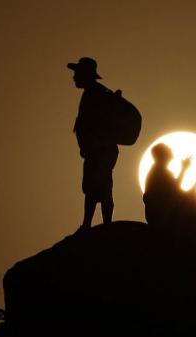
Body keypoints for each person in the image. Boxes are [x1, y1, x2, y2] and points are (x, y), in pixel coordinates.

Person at [68, 57, 119, 230]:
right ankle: (90, 224)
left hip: (101, 149)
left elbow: (94, 124)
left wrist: (91, 144)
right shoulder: (94, 93)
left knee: (100, 186)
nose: (74, 77)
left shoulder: (95, 94)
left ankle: (101, 225)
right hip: (98, 149)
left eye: (77, 74)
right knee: (94, 186)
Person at [143, 143, 196, 229]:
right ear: (163, 154)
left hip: (161, 214)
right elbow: (175, 191)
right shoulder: (158, 171)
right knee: (193, 197)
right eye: (168, 149)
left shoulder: (159, 170)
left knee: (193, 195)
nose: (171, 150)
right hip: (161, 216)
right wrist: (184, 168)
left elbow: (177, 192)